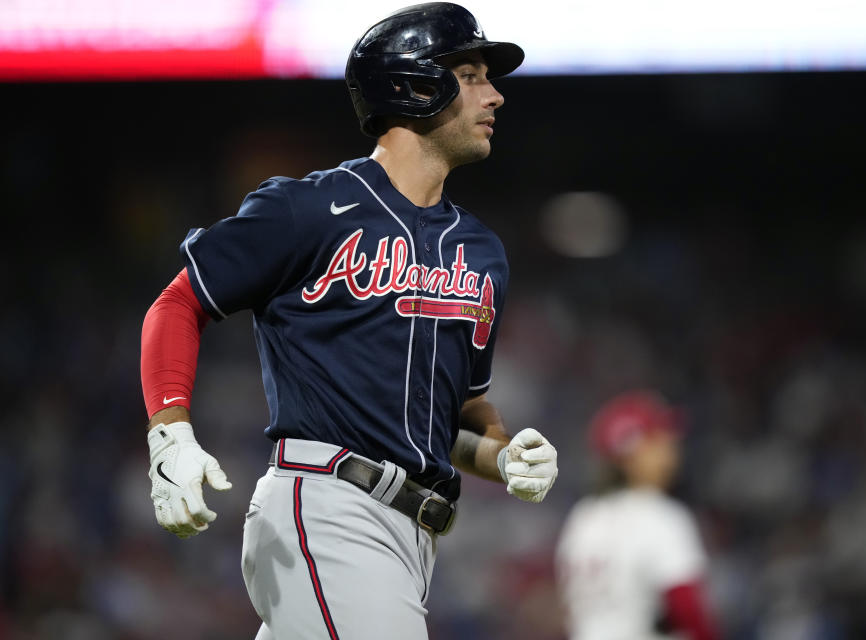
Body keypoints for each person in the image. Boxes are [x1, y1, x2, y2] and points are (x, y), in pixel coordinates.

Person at [138, 4, 559, 639]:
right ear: (413, 83)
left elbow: (456, 418)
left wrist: (502, 457)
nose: (495, 94)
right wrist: (170, 432)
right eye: (471, 74)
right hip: (329, 507)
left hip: (413, 538)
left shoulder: (481, 251)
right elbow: (178, 302)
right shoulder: (307, 209)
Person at [555, 391, 718, 640]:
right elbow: (687, 608)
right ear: (631, 454)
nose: (671, 446)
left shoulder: (582, 518)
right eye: (659, 439)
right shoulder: (660, 516)